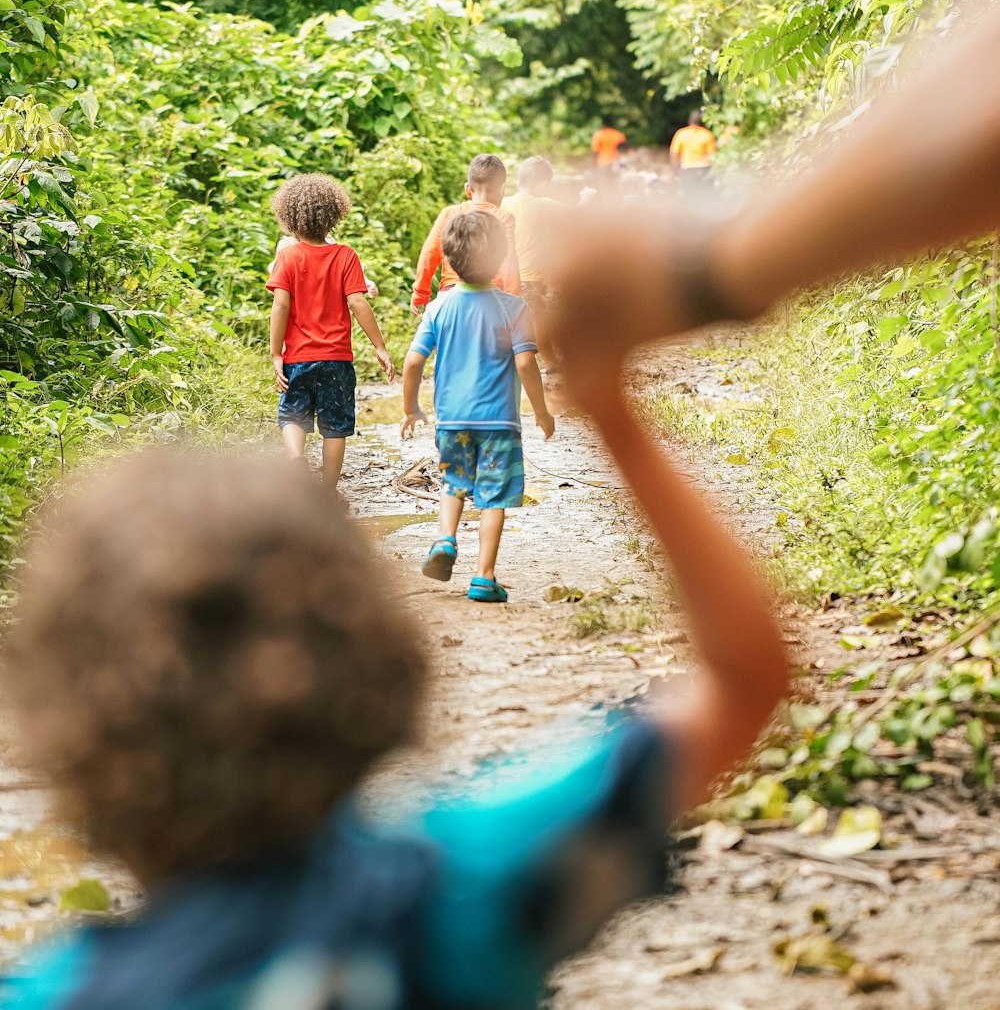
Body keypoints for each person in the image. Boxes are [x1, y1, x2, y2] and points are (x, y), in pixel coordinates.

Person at [0, 358, 787, 1008]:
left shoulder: (58, 994)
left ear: (60, 733)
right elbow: (744, 680)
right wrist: (612, 409)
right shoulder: (454, 889)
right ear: (380, 669)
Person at [543, 0, 1000, 388]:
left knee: (690, 199)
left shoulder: (668, 138)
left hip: (696, 194)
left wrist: (698, 269)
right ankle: (694, 230)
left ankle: (691, 230)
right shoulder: (696, 137)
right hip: (706, 194)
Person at [401, 211, 555, 602]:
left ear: (448, 260)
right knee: (493, 497)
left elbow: (414, 361)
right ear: (501, 257)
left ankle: (446, 539)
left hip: (452, 420)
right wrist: (541, 412)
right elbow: (525, 363)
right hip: (499, 422)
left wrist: (411, 409)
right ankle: (484, 577)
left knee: (453, 484)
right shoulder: (514, 308)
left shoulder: (438, 308)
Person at [267, 173, 395, 493]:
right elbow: (358, 304)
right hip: (337, 360)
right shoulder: (345, 255)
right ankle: (326, 493)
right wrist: (379, 347)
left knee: (293, 417)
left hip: (297, 357)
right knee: (335, 429)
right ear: (332, 217)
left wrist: (276, 353)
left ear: (290, 218)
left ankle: (297, 459)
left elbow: (280, 306)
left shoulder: (288, 257)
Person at [410, 154, 520, 317]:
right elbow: (509, 264)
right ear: (502, 188)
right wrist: (515, 302)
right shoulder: (504, 218)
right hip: (491, 297)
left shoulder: (449, 213)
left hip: (450, 295)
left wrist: (420, 292)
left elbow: (430, 253)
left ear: (468, 189)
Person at [503, 156, 562, 366]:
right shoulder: (545, 204)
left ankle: (547, 362)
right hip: (531, 278)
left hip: (505, 277)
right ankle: (550, 363)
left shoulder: (504, 203)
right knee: (539, 321)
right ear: (543, 183)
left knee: (518, 321)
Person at [669, 109, 717, 177]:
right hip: (704, 169)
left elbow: (674, 155)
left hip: (687, 169)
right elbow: (712, 156)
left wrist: (676, 172)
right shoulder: (707, 135)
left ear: (690, 121)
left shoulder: (681, 134)